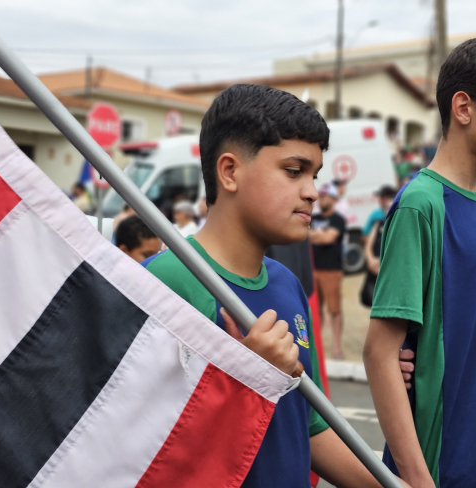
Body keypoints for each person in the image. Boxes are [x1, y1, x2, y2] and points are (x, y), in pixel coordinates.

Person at [141, 84, 408, 488]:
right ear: (229, 172)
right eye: (294, 171)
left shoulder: (287, 284)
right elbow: (137, 448)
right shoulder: (165, 283)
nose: (312, 192)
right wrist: (242, 379)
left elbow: (310, 425)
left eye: (315, 175)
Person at [364, 37, 476, 487]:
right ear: (463, 108)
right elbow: (380, 353)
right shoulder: (420, 205)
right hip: (442, 469)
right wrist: (417, 479)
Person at [310, 183, 347, 360]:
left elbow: (328, 239)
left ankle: (336, 348)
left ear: (333, 198)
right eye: (321, 196)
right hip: (313, 269)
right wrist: (320, 236)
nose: (321, 199)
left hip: (331, 270)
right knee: (315, 311)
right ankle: (317, 347)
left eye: (325, 196)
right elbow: (305, 236)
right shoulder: (313, 217)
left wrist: (314, 236)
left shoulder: (338, 219)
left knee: (334, 310)